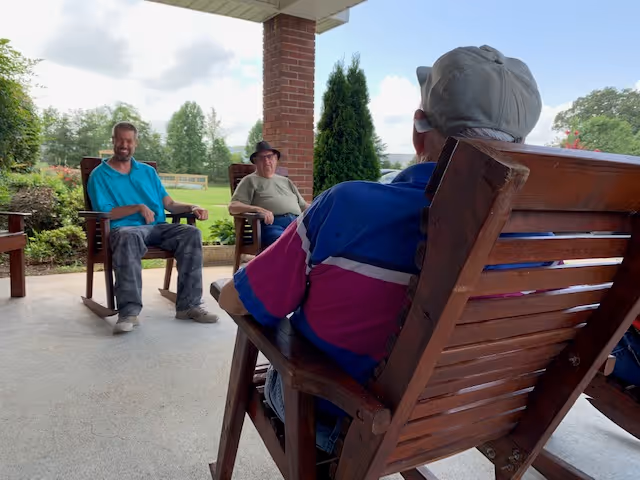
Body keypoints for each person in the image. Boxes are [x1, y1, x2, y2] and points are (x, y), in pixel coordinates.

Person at [218, 45, 542, 453]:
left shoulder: (348, 206)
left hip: (338, 422)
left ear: (418, 129)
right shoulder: (542, 244)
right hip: (455, 421)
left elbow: (235, 301)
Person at [88, 121, 219, 335]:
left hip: (157, 228)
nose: (124, 144)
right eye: (120, 139)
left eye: (129, 140)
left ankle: (189, 306)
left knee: (191, 233)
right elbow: (106, 212)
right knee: (128, 237)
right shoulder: (99, 175)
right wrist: (137, 207)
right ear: (113, 141)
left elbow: (169, 204)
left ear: (135, 143)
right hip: (124, 230)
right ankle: (129, 312)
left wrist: (193, 206)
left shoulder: (147, 172)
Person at [228, 141, 308, 248]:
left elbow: (304, 206)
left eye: (269, 157)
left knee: (321, 239)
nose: (266, 161)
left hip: (297, 224)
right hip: (272, 225)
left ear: (276, 159)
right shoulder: (250, 180)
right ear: (255, 162)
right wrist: (258, 209)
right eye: (261, 158)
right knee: (288, 243)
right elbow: (233, 207)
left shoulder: (286, 181)